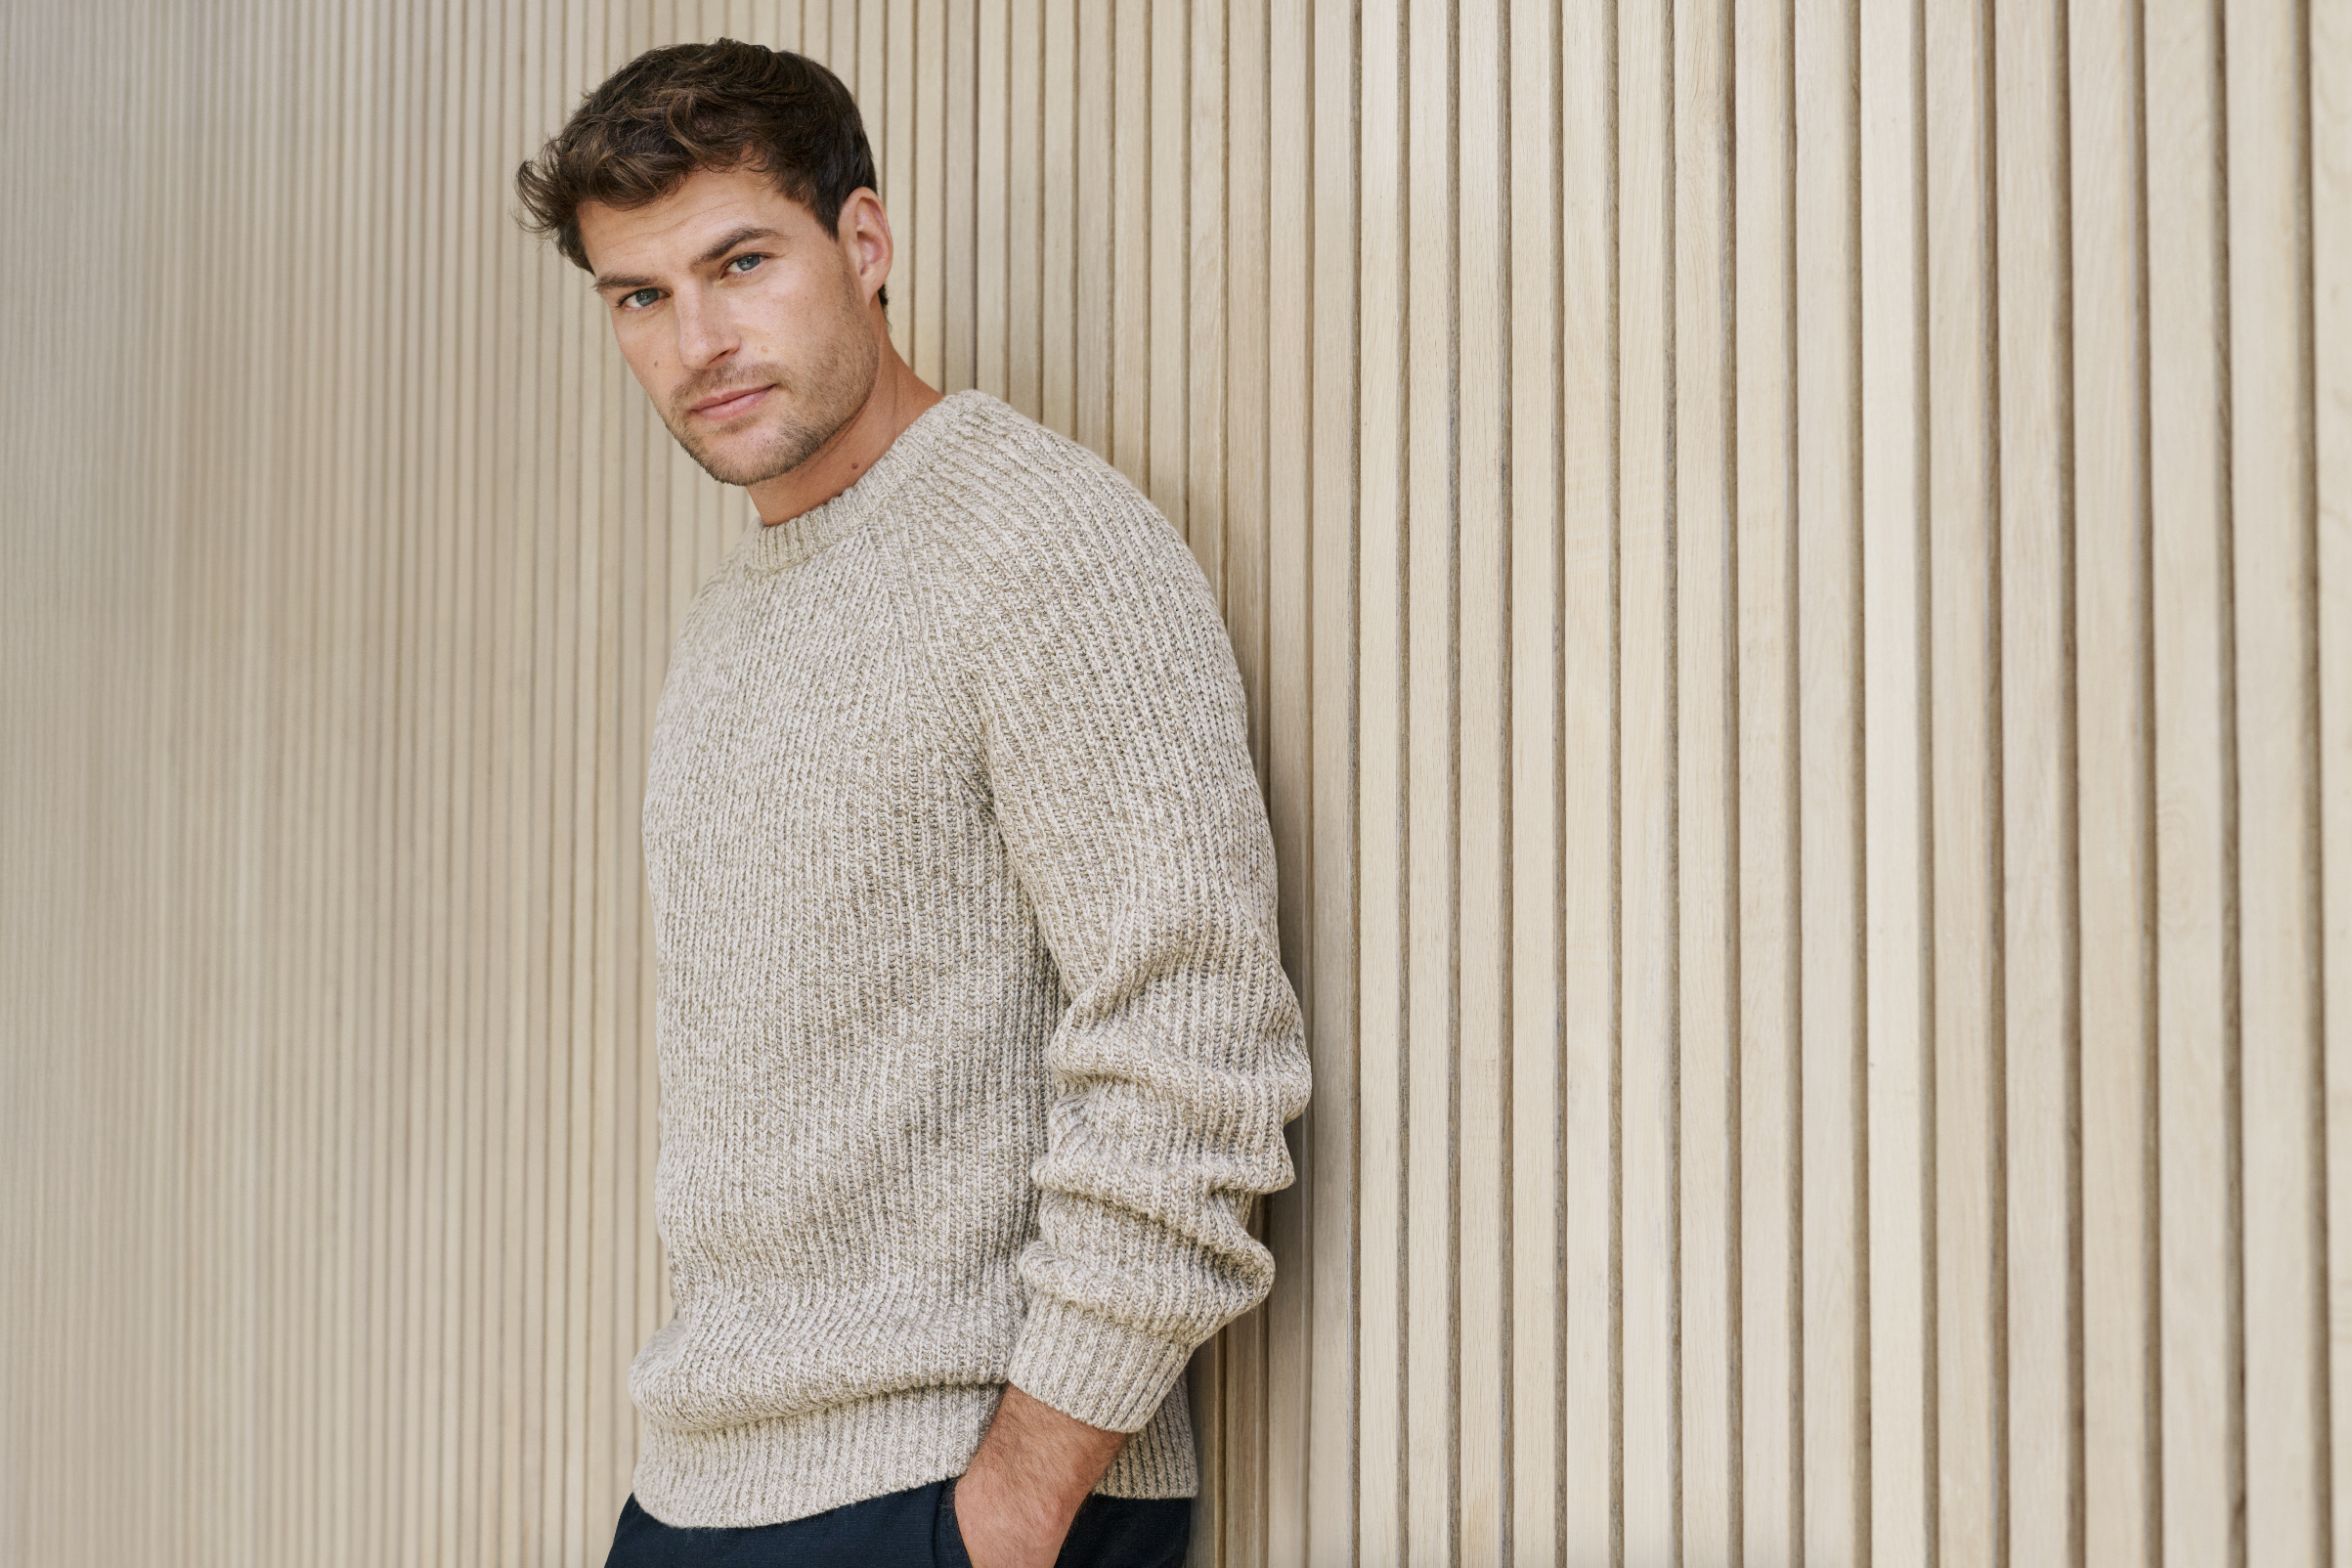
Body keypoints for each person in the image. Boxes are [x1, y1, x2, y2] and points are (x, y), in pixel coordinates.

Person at [514, 39, 1310, 1568]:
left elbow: (1196, 1039)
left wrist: (1013, 1504)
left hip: (945, 1491)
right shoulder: (736, 615)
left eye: (740, 262)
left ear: (862, 244)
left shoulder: (1037, 544)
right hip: (699, 1488)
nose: (698, 339)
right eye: (640, 295)